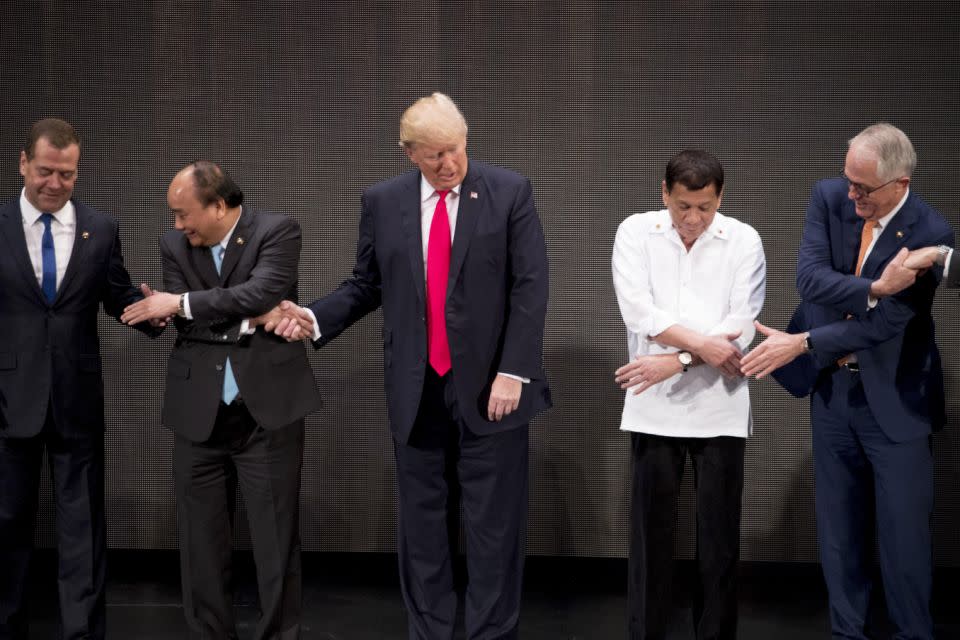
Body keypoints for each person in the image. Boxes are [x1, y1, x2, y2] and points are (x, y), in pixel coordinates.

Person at [270, 92, 551, 640]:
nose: (449, 165)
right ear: (408, 153)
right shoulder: (383, 200)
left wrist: (514, 371)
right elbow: (365, 284)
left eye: (456, 150)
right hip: (416, 389)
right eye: (434, 155)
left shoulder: (508, 191)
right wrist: (312, 315)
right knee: (423, 530)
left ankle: (491, 634)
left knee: (494, 530)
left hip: (494, 389)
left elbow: (530, 285)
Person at [741, 123, 954, 639]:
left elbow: (889, 324)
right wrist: (877, 286)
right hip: (834, 394)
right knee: (839, 532)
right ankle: (846, 632)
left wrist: (805, 341)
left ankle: (913, 633)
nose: (851, 194)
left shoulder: (931, 233)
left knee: (904, 538)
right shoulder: (830, 196)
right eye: (849, 181)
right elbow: (809, 277)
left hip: (897, 399)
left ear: (899, 184)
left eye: (864, 188)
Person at [120, 161, 322, 640]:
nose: (176, 226)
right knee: (201, 544)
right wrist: (252, 321)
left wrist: (182, 302)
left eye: (183, 214)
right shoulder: (175, 245)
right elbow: (213, 317)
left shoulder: (277, 231)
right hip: (199, 411)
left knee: (276, 543)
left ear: (219, 206)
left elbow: (261, 290)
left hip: (267, 412)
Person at [0, 118, 161, 640]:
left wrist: (150, 312)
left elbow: (116, 295)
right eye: (45, 171)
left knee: (83, 531)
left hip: (77, 401)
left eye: (66, 174)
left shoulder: (101, 226)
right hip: (6, 402)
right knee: (5, 529)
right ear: (22, 163)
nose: (55, 183)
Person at [611, 150, 765, 640]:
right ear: (664, 194)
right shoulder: (636, 232)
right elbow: (639, 311)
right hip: (651, 406)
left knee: (718, 541)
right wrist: (700, 345)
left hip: (721, 407)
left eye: (705, 207)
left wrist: (673, 359)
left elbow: (738, 328)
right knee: (650, 541)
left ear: (720, 198)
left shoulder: (743, 240)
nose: (694, 219)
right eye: (683, 207)